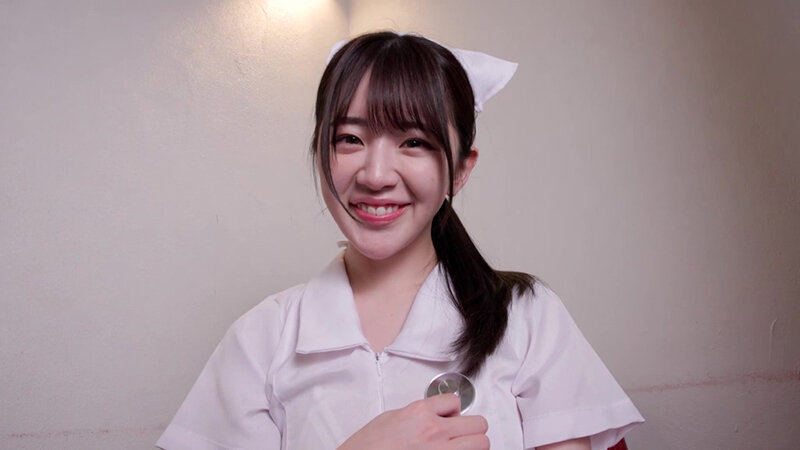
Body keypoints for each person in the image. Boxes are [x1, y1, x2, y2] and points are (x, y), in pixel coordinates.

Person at [156, 31, 644, 450]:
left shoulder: (527, 316)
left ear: (461, 168)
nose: (375, 175)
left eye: (414, 142)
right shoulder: (260, 339)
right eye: (350, 139)